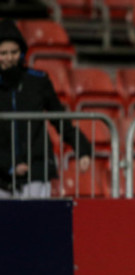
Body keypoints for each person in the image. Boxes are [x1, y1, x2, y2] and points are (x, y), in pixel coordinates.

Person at [0, 18, 91, 198]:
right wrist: (9, 164)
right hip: (1, 176)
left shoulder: (38, 81)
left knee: (37, 225)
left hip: (36, 172)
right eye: (2, 53)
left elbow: (60, 119)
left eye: (13, 52)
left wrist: (82, 149)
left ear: (21, 53)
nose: (9, 58)